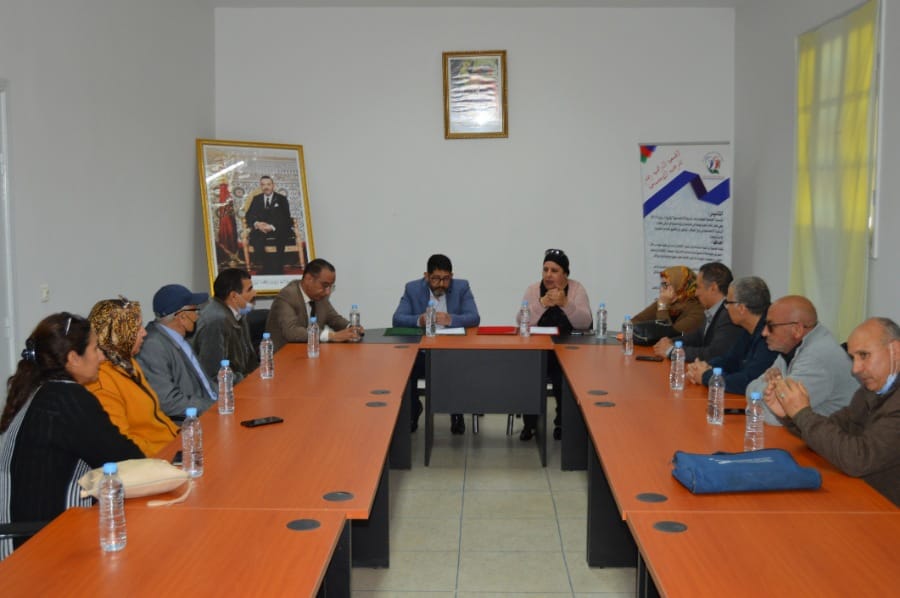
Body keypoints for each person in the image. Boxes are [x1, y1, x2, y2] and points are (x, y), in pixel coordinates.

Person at [0, 313, 143, 559]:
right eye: (95, 349)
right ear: (73, 358)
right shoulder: (66, 399)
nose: (102, 357)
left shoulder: (38, 391)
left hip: (24, 542)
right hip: (44, 547)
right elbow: (128, 461)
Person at [765, 317, 900, 506]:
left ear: (895, 351)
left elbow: (859, 459)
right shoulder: (869, 392)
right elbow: (832, 430)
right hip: (863, 497)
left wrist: (801, 413)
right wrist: (790, 414)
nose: (855, 369)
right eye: (853, 358)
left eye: (864, 355)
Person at [392, 253, 481, 434]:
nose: (441, 284)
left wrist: (451, 319)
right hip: (423, 353)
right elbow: (397, 319)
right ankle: (413, 410)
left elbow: (474, 317)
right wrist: (419, 320)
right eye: (436, 279)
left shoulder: (462, 287)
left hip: (452, 352)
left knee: (458, 366)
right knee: (406, 368)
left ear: (452, 276)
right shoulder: (412, 289)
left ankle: (456, 413)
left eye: (446, 279)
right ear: (426, 276)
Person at [86, 298, 179, 456]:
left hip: (171, 446)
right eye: (137, 328)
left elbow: (157, 417)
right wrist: (169, 454)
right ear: (119, 333)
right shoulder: (100, 380)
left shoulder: (127, 363)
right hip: (153, 458)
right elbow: (122, 441)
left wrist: (182, 435)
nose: (144, 332)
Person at [746, 295, 856, 425]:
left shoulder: (818, 356)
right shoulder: (790, 349)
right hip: (810, 432)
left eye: (770, 326)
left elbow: (777, 417)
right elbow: (751, 390)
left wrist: (756, 400)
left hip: (835, 434)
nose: (764, 333)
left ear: (797, 330)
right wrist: (762, 394)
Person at [519, 248, 592, 441]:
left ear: (565, 274)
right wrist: (541, 303)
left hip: (568, 350)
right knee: (529, 374)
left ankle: (562, 422)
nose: (548, 275)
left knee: (562, 377)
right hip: (538, 349)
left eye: (554, 270)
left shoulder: (576, 289)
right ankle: (530, 423)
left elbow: (585, 322)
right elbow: (521, 321)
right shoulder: (533, 290)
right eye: (545, 270)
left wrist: (566, 303)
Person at [136, 284, 218, 420]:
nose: (197, 316)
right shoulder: (152, 346)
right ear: (182, 317)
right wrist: (214, 407)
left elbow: (205, 382)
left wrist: (226, 398)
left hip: (209, 409)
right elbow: (168, 401)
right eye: (195, 310)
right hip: (189, 423)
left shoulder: (179, 337)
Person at [685, 276, 779, 394]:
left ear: (741, 308)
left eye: (728, 303)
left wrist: (706, 376)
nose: (726, 308)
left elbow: (748, 381)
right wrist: (704, 367)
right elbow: (730, 360)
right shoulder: (748, 328)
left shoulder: (770, 335)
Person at [653, 262, 746, 362]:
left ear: (713, 288)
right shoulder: (713, 310)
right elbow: (697, 338)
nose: (696, 293)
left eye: (698, 287)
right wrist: (671, 342)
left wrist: (672, 351)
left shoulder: (729, 314)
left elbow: (714, 354)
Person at [266, 258, 361, 351]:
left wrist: (351, 327)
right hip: (283, 355)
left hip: (310, 352)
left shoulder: (320, 297)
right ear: (309, 279)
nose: (327, 292)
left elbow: (334, 318)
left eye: (331, 287)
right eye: (325, 285)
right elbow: (292, 331)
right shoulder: (288, 295)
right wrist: (331, 336)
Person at [192, 268, 260, 383]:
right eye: (250, 290)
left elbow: (249, 360)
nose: (254, 293)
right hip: (225, 389)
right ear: (234, 296)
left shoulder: (240, 312)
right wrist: (247, 379)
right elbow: (214, 374)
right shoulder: (215, 322)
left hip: (241, 382)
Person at [633, 265, 705, 335]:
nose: (661, 289)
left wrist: (663, 307)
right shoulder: (665, 302)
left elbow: (669, 336)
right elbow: (633, 323)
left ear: (680, 286)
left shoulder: (698, 311)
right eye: (661, 284)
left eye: (665, 285)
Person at [245, 175, 293, 274]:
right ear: (261, 186)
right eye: (263, 185)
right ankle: (265, 267)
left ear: (273, 185)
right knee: (256, 238)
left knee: (282, 235)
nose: (266, 187)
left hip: (277, 228)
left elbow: (286, 217)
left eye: (268, 184)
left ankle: (278, 268)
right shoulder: (256, 199)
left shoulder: (281, 199)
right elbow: (249, 215)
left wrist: (271, 227)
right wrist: (257, 224)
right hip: (261, 229)